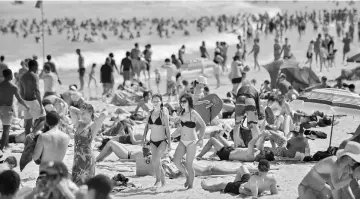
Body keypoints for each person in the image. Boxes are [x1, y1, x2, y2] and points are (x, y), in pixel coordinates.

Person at [173, 93, 206, 189]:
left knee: (189, 164)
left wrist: (201, 138)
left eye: (184, 101)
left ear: (189, 102)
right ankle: (186, 175)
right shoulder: (181, 113)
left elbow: (203, 125)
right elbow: (180, 128)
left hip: (192, 142)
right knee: (176, 161)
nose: (182, 103)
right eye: (181, 101)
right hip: (182, 141)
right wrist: (172, 136)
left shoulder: (193, 113)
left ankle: (191, 186)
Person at [69, 103, 107, 185]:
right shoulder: (78, 124)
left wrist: (94, 115)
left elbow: (104, 114)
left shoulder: (94, 125)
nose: (82, 115)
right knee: (76, 185)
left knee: (86, 185)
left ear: (90, 112)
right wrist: (82, 112)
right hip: (77, 158)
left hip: (87, 158)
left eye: (84, 113)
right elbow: (71, 109)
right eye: (81, 113)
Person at [201, 159, 278, 197]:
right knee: (242, 167)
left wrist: (243, 191)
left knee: (222, 185)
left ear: (258, 168)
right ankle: (234, 182)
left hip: (241, 187)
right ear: (269, 169)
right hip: (248, 182)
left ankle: (206, 186)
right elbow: (275, 193)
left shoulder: (255, 179)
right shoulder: (273, 178)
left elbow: (253, 195)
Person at [142, 94, 171, 187]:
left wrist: (170, 143)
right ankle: (163, 182)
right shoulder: (150, 113)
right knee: (156, 161)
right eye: (153, 101)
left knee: (156, 159)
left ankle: (157, 181)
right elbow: (146, 127)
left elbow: (168, 129)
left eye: (157, 101)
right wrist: (143, 138)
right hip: (152, 141)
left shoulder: (163, 114)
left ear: (161, 102)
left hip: (162, 141)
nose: (155, 103)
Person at [0, 69, 30, 152]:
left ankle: (6, 145)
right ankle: (1, 149)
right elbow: (19, 99)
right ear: (10, 76)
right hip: (7, 109)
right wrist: (26, 106)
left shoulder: (0, 85)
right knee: (6, 130)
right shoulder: (13, 87)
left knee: (5, 129)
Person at [197, 132, 274, 162]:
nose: (264, 150)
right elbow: (261, 143)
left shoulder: (252, 156)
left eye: (265, 151)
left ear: (264, 156)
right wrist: (263, 136)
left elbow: (250, 144)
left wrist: (259, 135)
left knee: (212, 140)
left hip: (226, 154)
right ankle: (219, 136)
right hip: (231, 150)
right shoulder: (258, 152)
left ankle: (199, 156)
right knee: (219, 137)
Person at [20, 60, 46, 136]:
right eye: (37, 66)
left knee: (28, 123)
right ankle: (34, 134)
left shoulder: (22, 77)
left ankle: (27, 143)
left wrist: (23, 103)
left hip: (25, 101)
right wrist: (41, 105)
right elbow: (36, 91)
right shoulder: (34, 76)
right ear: (34, 66)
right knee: (43, 118)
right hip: (34, 101)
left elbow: (21, 92)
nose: (38, 67)